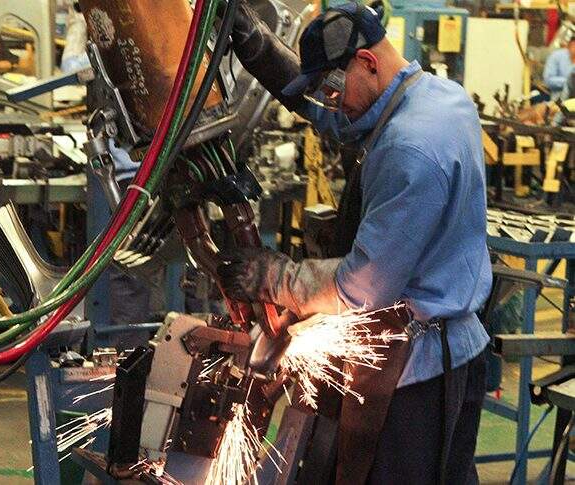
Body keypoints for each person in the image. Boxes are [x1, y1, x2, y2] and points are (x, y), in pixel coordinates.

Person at [216, 2, 491, 484]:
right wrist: (263, 56)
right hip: (459, 354)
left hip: (419, 376)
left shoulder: (408, 148)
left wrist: (273, 277)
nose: (332, 103)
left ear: (366, 61)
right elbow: (343, 121)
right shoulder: (441, 98)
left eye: (333, 89)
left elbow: (362, 288)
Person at [543, 34, 575, 99]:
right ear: (569, 45)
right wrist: (569, 81)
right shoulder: (557, 56)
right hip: (558, 99)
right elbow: (547, 80)